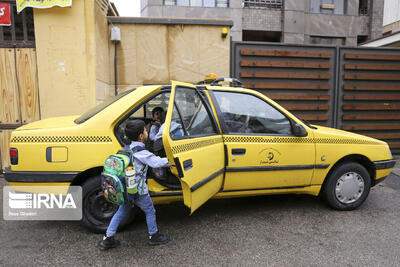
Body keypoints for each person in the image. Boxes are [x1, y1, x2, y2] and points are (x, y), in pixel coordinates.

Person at [100, 119, 171, 250]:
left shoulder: (126, 149)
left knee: (122, 211)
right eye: (145, 130)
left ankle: (108, 238)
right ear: (141, 136)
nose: (146, 132)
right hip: (138, 190)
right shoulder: (142, 152)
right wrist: (172, 160)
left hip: (126, 188)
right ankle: (153, 236)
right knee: (150, 210)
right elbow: (156, 162)